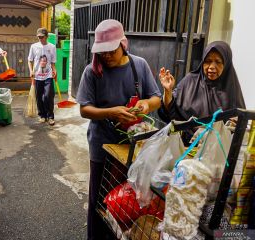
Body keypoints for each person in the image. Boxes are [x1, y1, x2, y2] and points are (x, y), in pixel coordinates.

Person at [76, 19, 161, 240]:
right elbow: (85, 109)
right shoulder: (92, 71)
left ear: (123, 44)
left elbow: (156, 98)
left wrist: (145, 105)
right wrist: (112, 112)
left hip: (134, 148)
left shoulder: (139, 65)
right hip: (102, 145)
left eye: (110, 51)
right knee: (99, 198)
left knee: (128, 199)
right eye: (101, 52)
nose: (106, 56)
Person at [158, 41, 246, 122]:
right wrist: (168, 91)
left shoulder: (231, 90)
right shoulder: (190, 81)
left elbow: (239, 124)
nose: (212, 66)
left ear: (226, 64)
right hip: (189, 138)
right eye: (208, 61)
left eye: (218, 62)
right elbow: (168, 111)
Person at [28, 27, 57, 126]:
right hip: (37, 76)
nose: (40, 39)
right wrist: (31, 70)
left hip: (48, 76)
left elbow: (53, 62)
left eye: (42, 37)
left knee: (48, 96)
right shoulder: (34, 46)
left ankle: (50, 116)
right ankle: (42, 115)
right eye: (39, 37)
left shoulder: (52, 47)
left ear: (47, 36)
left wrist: (54, 71)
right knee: (39, 97)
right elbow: (30, 60)